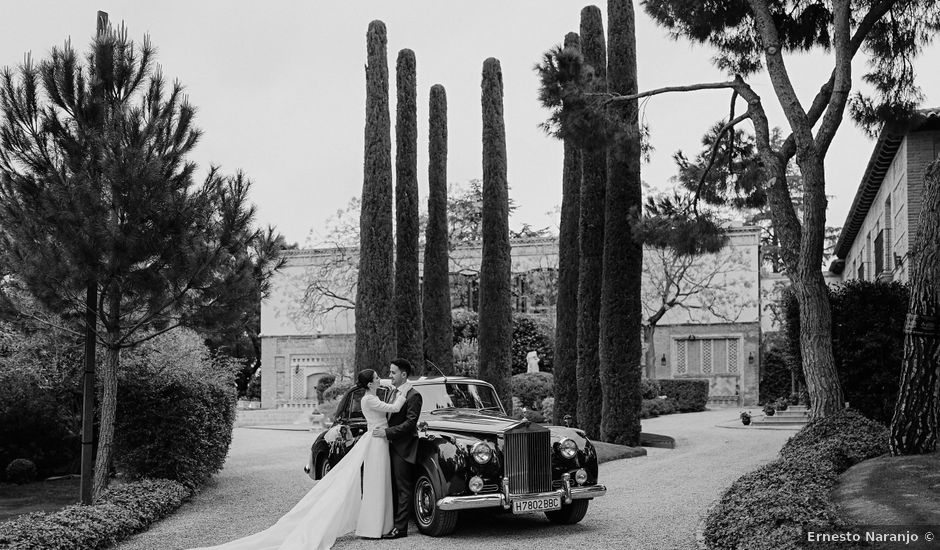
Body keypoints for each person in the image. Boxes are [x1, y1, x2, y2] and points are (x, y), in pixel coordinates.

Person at [188, 368, 405, 550]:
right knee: (375, 483)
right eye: (376, 377)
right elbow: (395, 408)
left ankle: (379, 524)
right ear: (369, 383)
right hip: (377, 440)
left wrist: (396, 386)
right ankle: (374, 526)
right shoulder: (370, 399)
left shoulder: (372, 396)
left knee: (379, 482)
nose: (380, 378)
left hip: (379, 438)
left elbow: (388, 400)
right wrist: (404, 390)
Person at [372, 358, 422, 539]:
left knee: (403, 487)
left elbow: (410, 423)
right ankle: (390, 522)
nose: (390, 375)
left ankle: (400, 529)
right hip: (388, 446)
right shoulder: (394, 393)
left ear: (404, 374)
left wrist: (387, 432)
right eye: (390, 372)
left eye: (393, 372)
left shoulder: (414, 395)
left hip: (403, 447)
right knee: (390, 486)